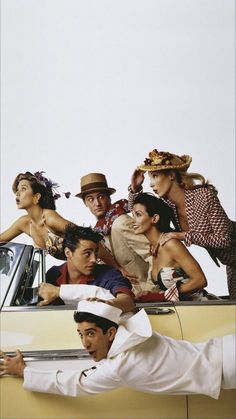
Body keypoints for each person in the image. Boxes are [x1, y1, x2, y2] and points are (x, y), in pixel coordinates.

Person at [1, 300, 235, 399]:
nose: (85, 343)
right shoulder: (131, 329)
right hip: (225, 349)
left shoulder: (120, 365)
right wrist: (62, 294)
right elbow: (105, 301)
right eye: (81, 335)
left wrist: (24, 371)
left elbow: (74, 383)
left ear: (110, 333)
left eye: (90, 333)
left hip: (228, 365)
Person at [129, 149, 236, 300]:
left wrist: (181, 235)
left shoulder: (204, 196)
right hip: (231, 263)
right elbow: (142, 211)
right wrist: (134, 188)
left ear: (172, 175)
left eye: (155, 176)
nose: (151, 184)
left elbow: (225, 239)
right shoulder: (169, 204)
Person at [75, 173, 151, 296]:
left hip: (149, 292)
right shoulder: (98, 232)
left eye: (101, 197)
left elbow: (152, 254)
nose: (97, 203)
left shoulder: (121, 223)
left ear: (109, 198)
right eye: (90, 199)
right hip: (124, 295)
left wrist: (151, 288)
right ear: (85, 203)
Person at [38, 223, 135, 313]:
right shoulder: (52, 274)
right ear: (68, 253)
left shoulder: (108, 273)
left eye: (96, 253)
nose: (94, 259)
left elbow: (128, 302)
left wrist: (107, 305)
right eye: (87, 253)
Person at [132, 192, 210, 301]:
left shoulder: (171, 244)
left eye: (138, 215)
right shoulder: (154, 248)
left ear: (154, 219)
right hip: (179, 311)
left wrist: (161, 296)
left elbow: (200, 280)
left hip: (199, 307)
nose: (133, 220)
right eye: (133, 215)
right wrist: (150, 294)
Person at [0, 171, 71, 259]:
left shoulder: (49, 217)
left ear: (36, 197)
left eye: (23, 189)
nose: (17, 194)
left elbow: (84, 235)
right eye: (17, 190)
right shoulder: (24, 223)